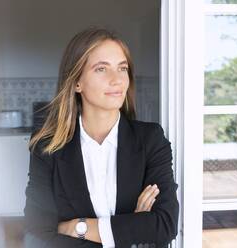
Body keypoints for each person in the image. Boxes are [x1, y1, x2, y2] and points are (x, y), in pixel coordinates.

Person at [24, 26, 179, 248]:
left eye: (122, 68)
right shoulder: (46, 148)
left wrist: (77, 228)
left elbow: (164, 225)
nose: (117, 80)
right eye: (101, 69)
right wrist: (132, 227)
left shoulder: (151, 140)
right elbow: (37, 235)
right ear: (77, 82)